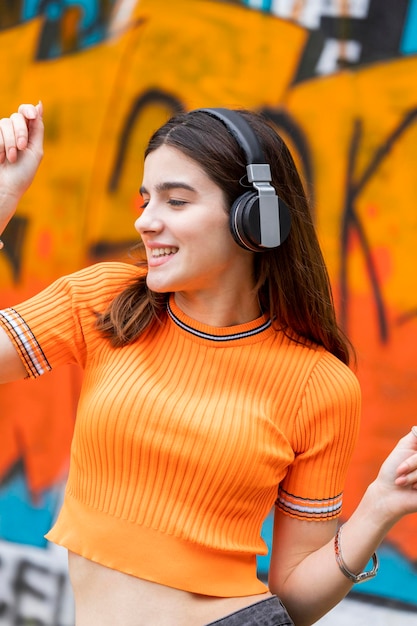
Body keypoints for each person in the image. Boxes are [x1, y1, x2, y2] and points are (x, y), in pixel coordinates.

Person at [0, 102, 416, 626]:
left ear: (255, 219)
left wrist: (380, 505)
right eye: (146, 200)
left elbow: (296, 598)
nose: (146, 221)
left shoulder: (319, 384)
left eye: (176, 201)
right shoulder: (106, 303)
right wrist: (4, 195)